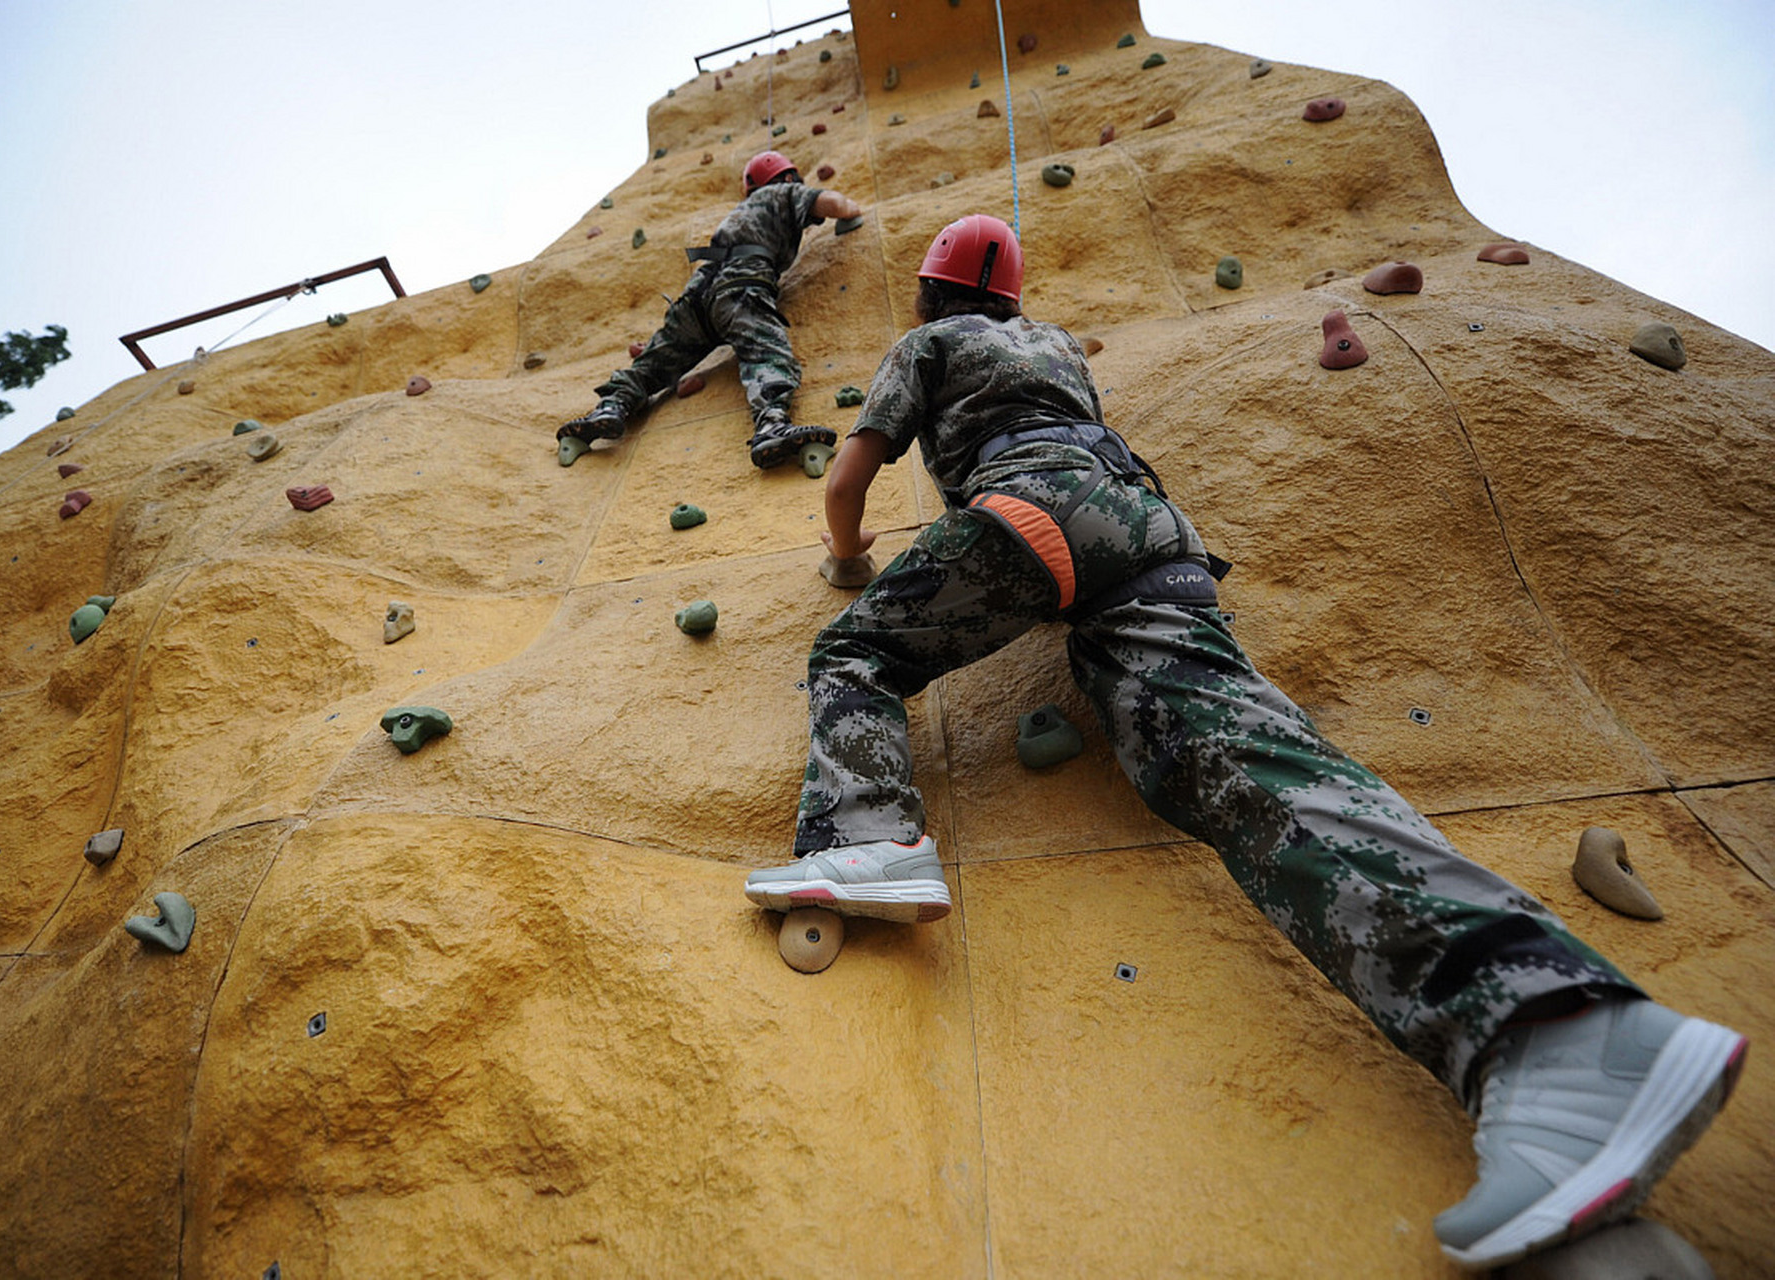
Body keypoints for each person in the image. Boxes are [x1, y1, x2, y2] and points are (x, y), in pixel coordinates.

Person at [741, 214, 1748, 1270]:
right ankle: (1549, 1029)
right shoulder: (1049, 344)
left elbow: (847, 483)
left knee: (854, 656)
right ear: (1010, 293)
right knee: (1228, 754)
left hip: (1028, 510)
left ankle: (865, 836)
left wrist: (848, 562)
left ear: (930, 291)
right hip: (1149, 530)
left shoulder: (930, 343)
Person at [560, 150, 864, 468]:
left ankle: (610, 408)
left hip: (696, 298)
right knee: (768, 357)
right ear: (788, 177)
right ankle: (771, 426)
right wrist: (851, 214)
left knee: (651, 365)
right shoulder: (783, 192)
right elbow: (834, 205)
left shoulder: (740, 212)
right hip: (740, 290)